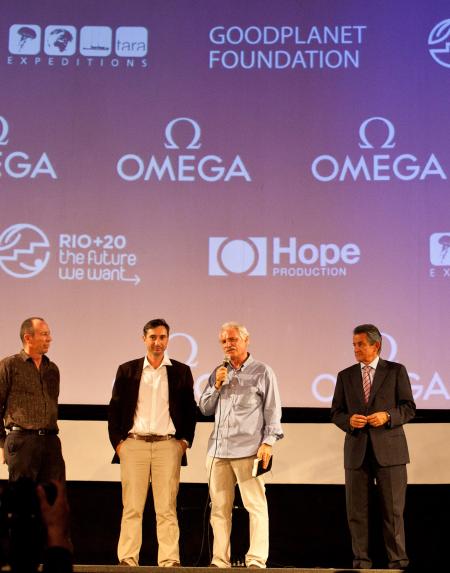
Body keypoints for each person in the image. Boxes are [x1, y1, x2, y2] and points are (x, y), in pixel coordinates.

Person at [108, 318, 197, 567]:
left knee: (166, 508)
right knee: (132, 507)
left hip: (168, 445)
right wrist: (119, 444)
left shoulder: (180, 371)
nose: (158, 342)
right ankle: (128, 559)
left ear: (168, 339)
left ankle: (169, 560)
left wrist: (184, 443)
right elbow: (114, 410)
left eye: (162, 337)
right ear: (144, 339)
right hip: (133, 444)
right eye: (153, 337)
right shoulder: (127, 370)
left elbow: (190, 410)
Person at [331, 324, 416, 570]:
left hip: (390, 452)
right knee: (356, 513)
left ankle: (398, 562)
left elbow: (408, 408)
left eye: (360, 344)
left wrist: (387, 417)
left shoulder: (396, 371)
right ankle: (361, 562)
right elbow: (336, 412)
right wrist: (349, 421)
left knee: (393, 511)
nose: (355, 349)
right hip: (357, 451)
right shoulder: (345, 376)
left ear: (375, 345)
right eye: (354, 345)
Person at [199, 322, 283, 569]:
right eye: (224, 341)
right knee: (219, 509)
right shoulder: (218, 372)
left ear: (246, 341)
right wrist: (216, 385)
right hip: (218, 452)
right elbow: (205, 408)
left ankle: (256, 559)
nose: (228, 344)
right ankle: (219, 560)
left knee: (255, 505)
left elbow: (273, 410)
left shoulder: (263, 371)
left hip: (249, 450)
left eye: (233, 339)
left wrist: (268, 442)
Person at [0, 317, 66, 482]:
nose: (49, 339)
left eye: (49, 334)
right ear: (28, 338)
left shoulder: (52, 369)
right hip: (22, 442)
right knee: (22, 502)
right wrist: (2, 442)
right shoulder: (10, 365)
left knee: (53, 501)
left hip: (51, 442)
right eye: (44, 334)